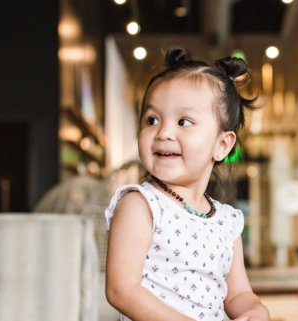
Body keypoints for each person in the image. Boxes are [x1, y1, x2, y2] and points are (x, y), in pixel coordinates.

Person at [104, 47, 269, 321]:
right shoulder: (140, 205)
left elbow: (238, 294)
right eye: (152, 119)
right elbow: (122, 290)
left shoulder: (226, 222)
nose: (164, 132)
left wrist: (254, 310)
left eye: (184, 121)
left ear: (222, 145)